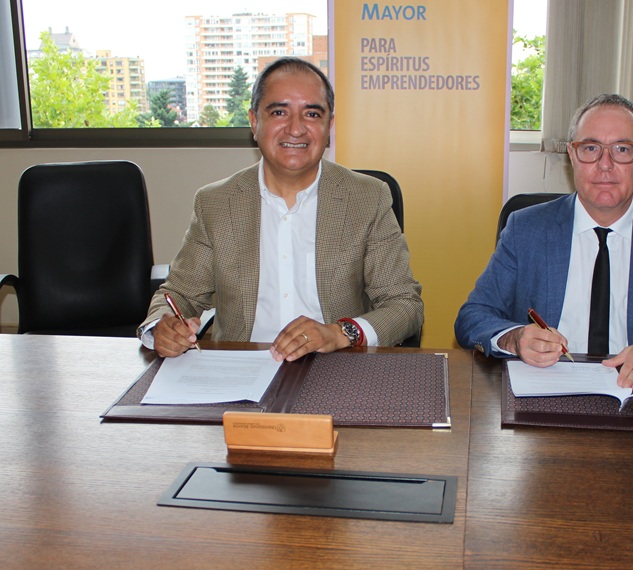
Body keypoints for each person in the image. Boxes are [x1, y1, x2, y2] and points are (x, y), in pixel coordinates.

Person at [455, 93, 633, 391]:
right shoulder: (526, 229)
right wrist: (514, 338)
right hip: (544, 390)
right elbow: (472, 317)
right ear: (572, 154)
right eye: (591, 148)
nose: (605, 164)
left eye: (622, 149)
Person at [139, 57, 423, 361]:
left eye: (311, 114)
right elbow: (178, 295)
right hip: (240, 368)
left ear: (329, 125)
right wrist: (162, 328)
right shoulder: (216, 203)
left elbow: (404, 304)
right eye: (279, 112)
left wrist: (340, 333)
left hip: (336, 366)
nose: (296, 129)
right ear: (254, 121)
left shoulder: (367, 198)